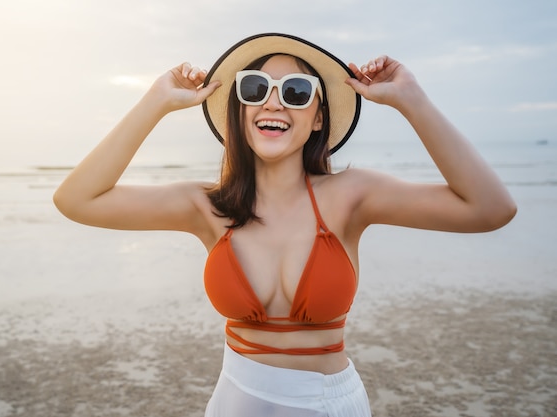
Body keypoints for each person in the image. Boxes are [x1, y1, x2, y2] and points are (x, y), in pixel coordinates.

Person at [53, 33, 516, 417]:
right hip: (236, 400)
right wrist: (155, 101)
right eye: (255, 89)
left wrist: (412, 101)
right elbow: (76, 199)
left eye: (295, 92)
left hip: (328, 405)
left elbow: (490, 208)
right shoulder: (208, 207)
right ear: (240, 110)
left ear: (317, 117)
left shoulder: (352, 196)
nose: (273, 102)